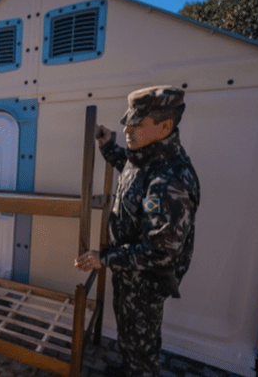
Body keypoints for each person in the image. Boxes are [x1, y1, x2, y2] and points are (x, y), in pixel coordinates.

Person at [75, 85, 200, 377]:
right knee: (129, 333)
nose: (127, 130)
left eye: (137, 124)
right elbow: (132, 170)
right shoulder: (146, 156)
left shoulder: (172, 179)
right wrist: (108, 148)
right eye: (127, 123)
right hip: (129, 272)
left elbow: (160, 251)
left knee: (141, 342)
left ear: (165, 126)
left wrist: (101, 258)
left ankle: (139, 370)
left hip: (146, 281)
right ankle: (130, 367)